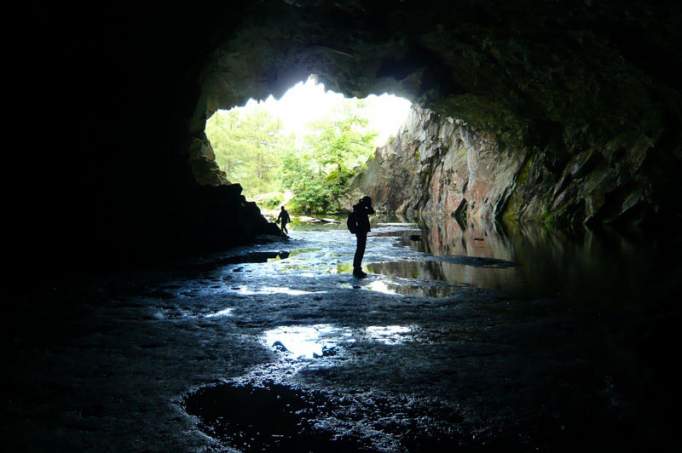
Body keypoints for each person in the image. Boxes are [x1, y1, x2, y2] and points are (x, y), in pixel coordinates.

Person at [352, 196, 375, 278]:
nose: (370, 204)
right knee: (360, 250)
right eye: (369, 202)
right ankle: (357, 269)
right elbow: (371, 211)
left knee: (360, 250)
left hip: (360, 230)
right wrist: (368, 205)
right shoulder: (360, 208)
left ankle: (357, 268)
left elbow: (371, 212)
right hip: (361, 231)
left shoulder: (359, 207)